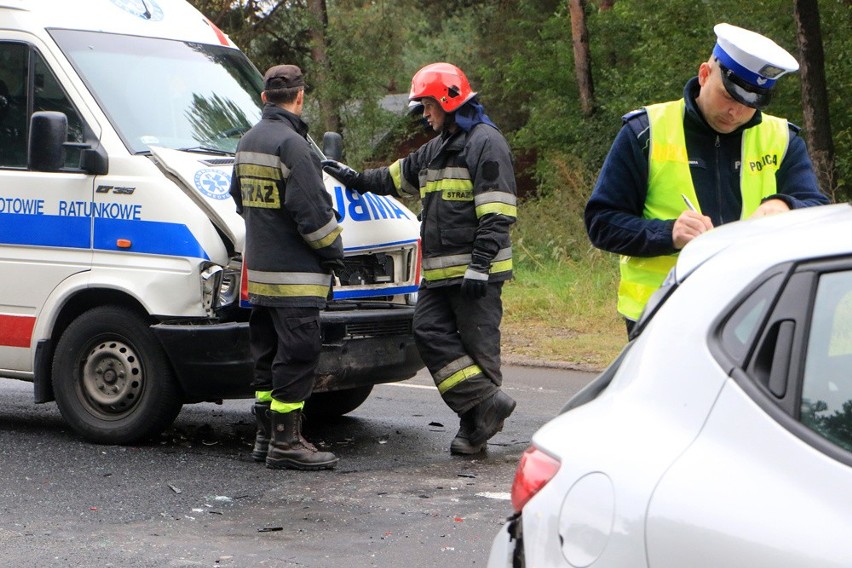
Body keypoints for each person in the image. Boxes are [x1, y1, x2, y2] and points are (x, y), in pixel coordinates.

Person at [584, 23, 830, 335]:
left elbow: (818, 212)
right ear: (704, 75)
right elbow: (601, 222)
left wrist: (785, 205)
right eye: (728, 96)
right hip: (663, 314)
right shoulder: (644, 132)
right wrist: (668, 233)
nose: (735, 112)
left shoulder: (782, 139)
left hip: (756, 314)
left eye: (750, 104)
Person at [322, 62, 517, 455]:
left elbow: (498, 212)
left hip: (477, 274)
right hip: (440, 275)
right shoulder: (437, 147)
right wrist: (353, 177)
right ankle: (486, 404)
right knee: (427, 331)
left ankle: (473, 428)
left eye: (427, 105)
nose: (424, 114)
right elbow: (393, 178)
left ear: (448, 100)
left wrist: (481, 266)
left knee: (479, 349)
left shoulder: (485, 142)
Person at [230, 64, 344, 470]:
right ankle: (286, 443)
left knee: (267, 355)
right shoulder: (295, 147)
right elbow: (312, 214)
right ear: (299, 98)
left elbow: (240, 201)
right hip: (295, 280)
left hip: (260, 277)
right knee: (297, 355)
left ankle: (264, 437)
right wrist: (334, 252)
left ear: (264, 98)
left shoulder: (246, 142)